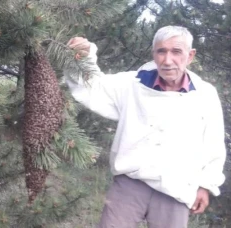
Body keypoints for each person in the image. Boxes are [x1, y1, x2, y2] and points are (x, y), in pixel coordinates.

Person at [65, 25, 226, 227]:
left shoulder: (205, 95)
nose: (168, 60)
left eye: (176, 52)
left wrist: (206, 185)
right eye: (161, 51)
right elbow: (93, 87)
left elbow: (213, 144)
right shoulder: (132, 84)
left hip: (176, 188)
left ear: (190, 55)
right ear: (154, 53)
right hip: (130, 183)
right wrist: (84, 55)